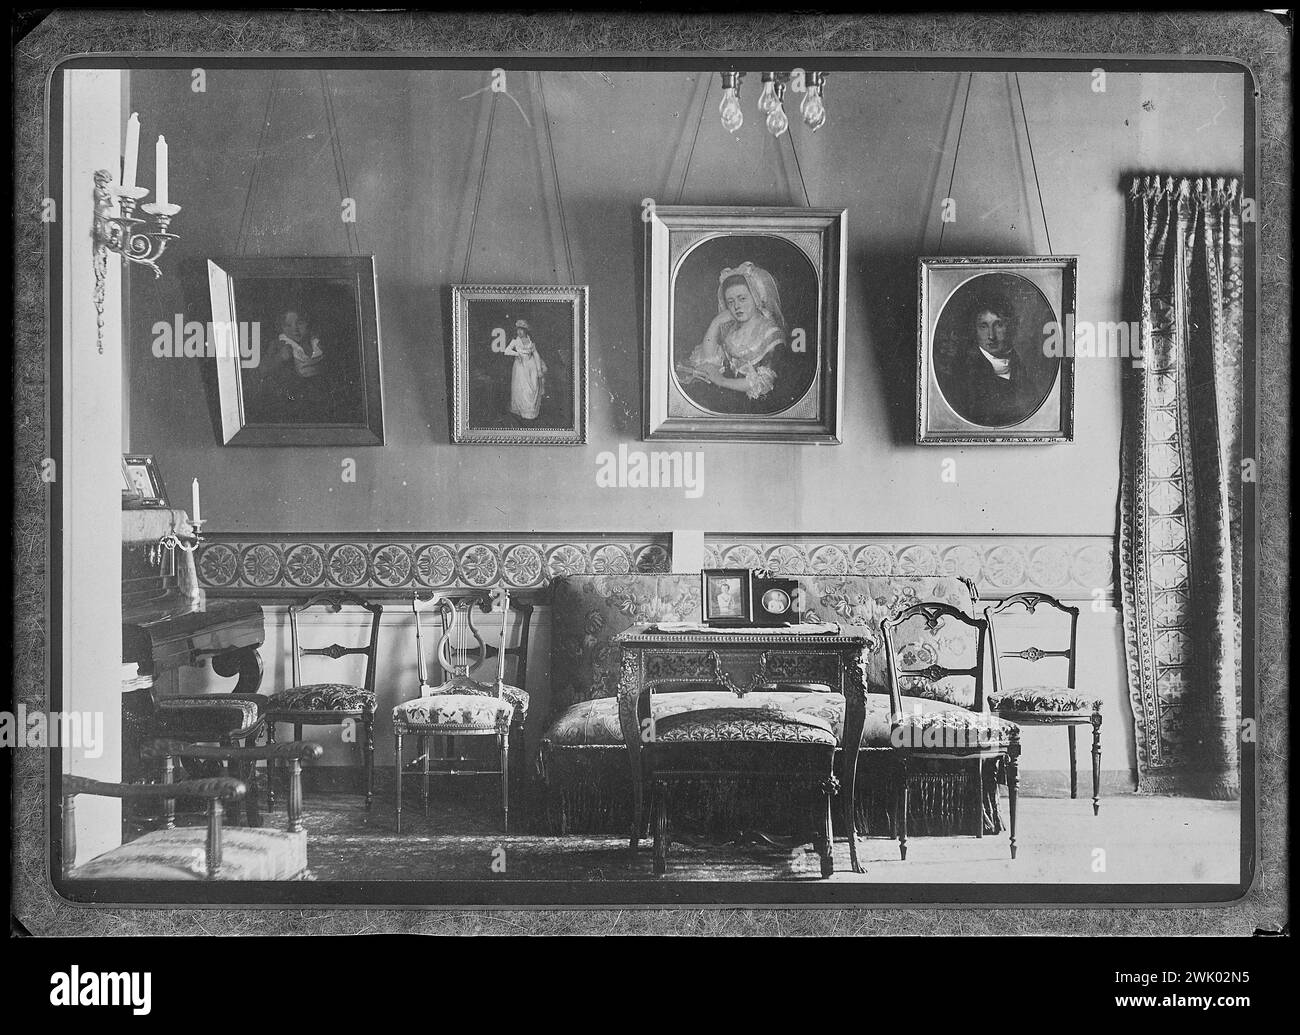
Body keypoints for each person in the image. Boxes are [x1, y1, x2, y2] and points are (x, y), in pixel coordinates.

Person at [678, 262, 786, 402]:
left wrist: (721, 381)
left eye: (742, 299)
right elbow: (708, 357)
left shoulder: (770, 333)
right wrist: (715, 322)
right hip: (732, 399)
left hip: (761, 404)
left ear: (756, 298)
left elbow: (762, 383)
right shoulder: (733, 331)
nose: (736, 306)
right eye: (730, 301)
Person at [938, 293, 1042, 426]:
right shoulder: (963, 373)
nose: (991, 336)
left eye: (998, 325)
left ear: (1010, 327)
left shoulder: (1019, 366)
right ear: (974, 330)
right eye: (983, 326)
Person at [503, 319, 547, 421]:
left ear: (526, 331)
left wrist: (539, 369)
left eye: (521, 330)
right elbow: (506, 351)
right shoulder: (515, 341)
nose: (519, 332)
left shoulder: (530, 341)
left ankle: (531, 411)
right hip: (520, 367)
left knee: (534, 387)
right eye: (518, 330)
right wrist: (517, 354)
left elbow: (535, 354)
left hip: (531, 366)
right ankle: (522, 411)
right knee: (523, 389)